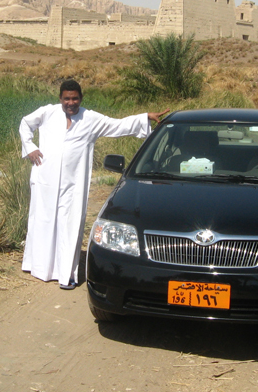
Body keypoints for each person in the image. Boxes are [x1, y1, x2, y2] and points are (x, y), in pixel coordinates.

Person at [19, 80, 169, 289]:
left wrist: (145, 117)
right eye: (66, 98)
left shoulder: (90, 118)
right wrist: (30, 147)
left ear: (81, 98)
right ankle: (38, 266)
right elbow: (25, 123)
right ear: (60, 98)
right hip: (45, 178)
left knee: (69, 224)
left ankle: (66, 275)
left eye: (75, 98)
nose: (71, 102)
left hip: (73, 185)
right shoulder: (47, 113)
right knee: (42, 220)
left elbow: (117, 125)